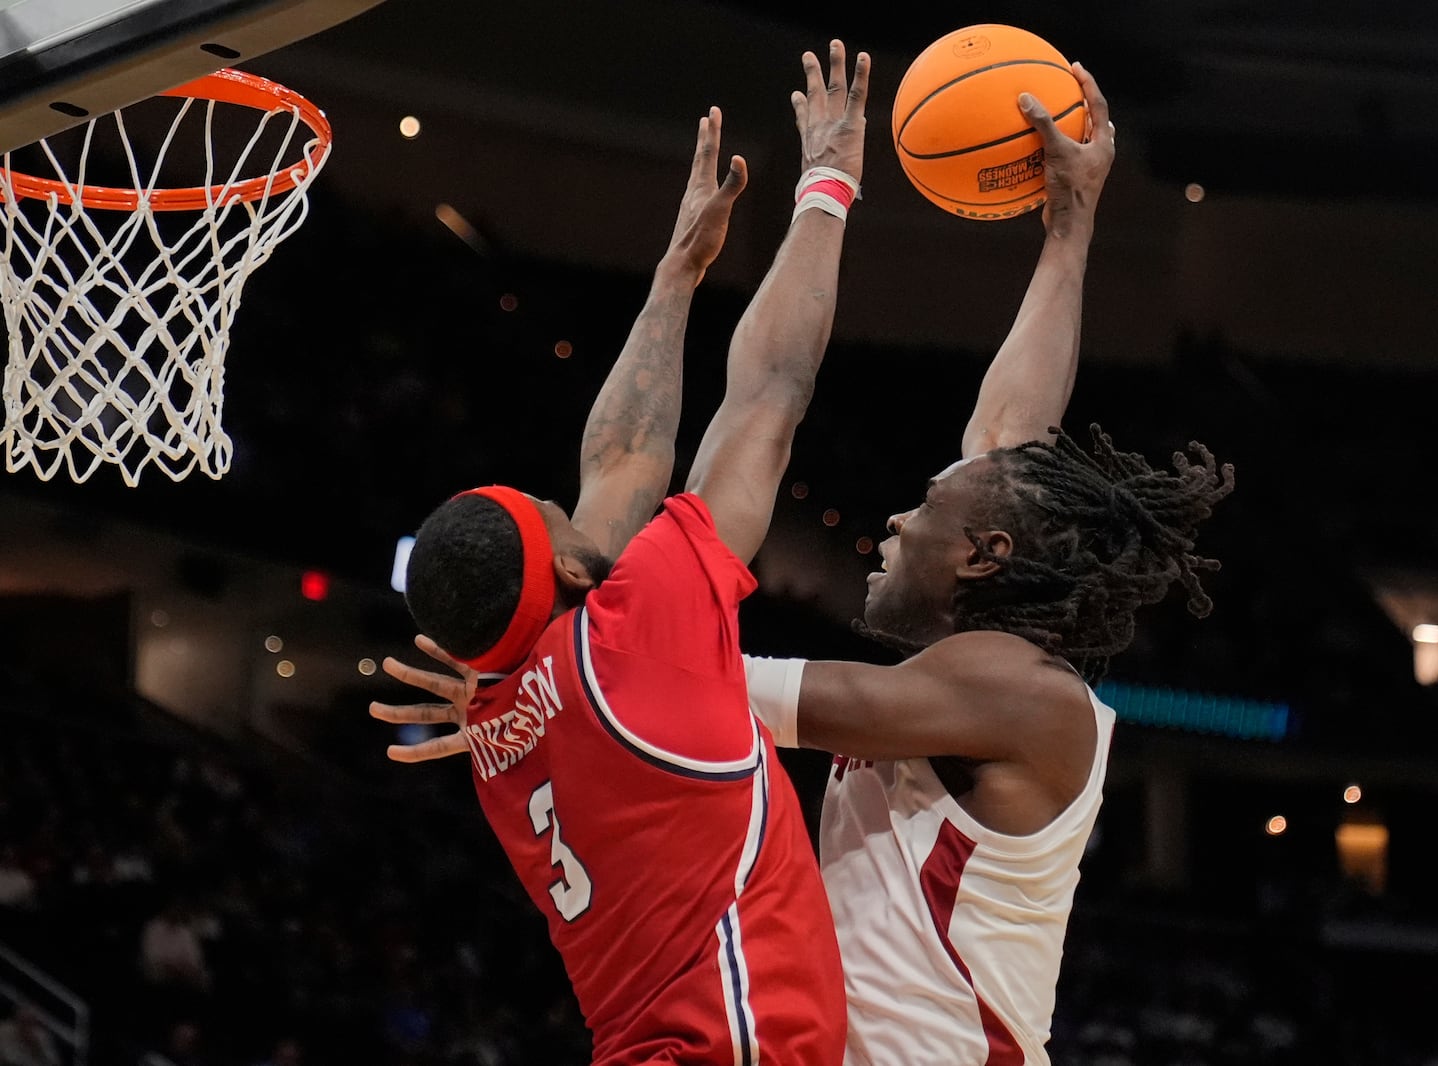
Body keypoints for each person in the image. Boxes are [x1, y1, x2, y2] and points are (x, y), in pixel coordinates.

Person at [379, 63, 1235, 1066]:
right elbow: (999, 435)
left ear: (985, 554)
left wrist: (528, 671)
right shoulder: (989, 656)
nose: (893, 519)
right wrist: (1061, 226)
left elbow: (676, 669)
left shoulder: (1020, 691)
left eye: (924, 507)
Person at [371, 39, 871, 1066]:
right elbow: (766, 397)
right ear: (562, 569)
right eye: (554, 512)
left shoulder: (497, 727)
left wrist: (678, 272)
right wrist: (826, 185)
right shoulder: (628, 640)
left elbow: (621, 460)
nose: (574, 502)